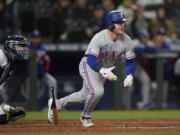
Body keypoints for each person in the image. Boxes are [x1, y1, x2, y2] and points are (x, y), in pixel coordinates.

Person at [48, 10, 136, 127]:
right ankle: (85, 117)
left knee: (85, 96)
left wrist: (130, 75)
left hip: (104, 69)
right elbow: (90, 59)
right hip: (89, 66)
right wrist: (101, 70)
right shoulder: (99, 37)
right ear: (110, 23)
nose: (122, 25)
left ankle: (56, 104)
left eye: (123, 22)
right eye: (118, 22)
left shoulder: (127, 40)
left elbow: (131, 61)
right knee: (98, 92)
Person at [0, 35, 29, 124]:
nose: (23, 49)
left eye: (24, 46)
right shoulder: (1, 55)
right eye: (20, 46)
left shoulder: (11, 66)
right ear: (11, 46)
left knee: (2, 119)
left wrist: (9, 109)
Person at [29, 30, 57, 109]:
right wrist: (41, 58)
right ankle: (31, 108)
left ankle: (53, 105)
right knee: (33, 93)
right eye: (34, 38)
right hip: (31, 75)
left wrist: (46, 61)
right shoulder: (28, 47)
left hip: (42, 72)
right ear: (31, 39)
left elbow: (46, 61)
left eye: (38, 38)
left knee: (53, 81)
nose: (37, 39)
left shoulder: (42, 48)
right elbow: (32, 60)